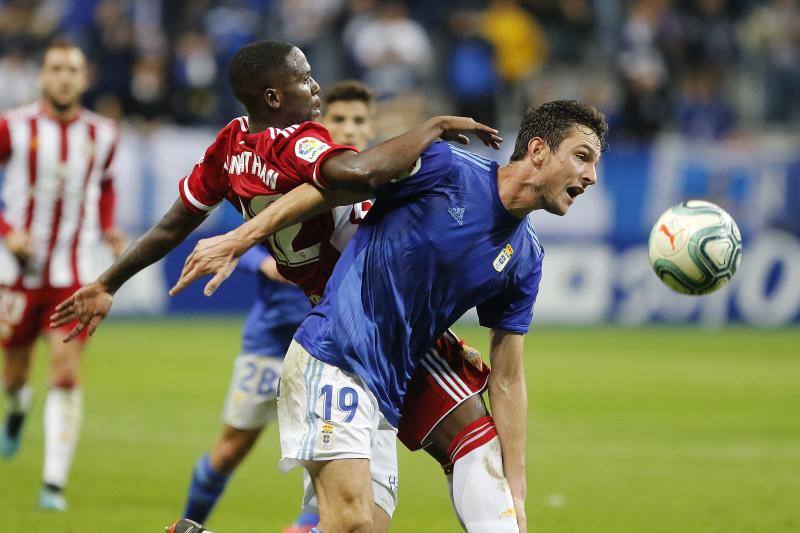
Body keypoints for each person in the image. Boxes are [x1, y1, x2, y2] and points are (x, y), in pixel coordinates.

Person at [49, 40, 500, 530]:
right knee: (388, 499)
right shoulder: (299, 142)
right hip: (357, 332)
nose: (315, 86)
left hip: (350, 326)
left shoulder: (230, 147)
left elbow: (170, 226)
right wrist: (433, 127)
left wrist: (107, 282)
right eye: (304, 77)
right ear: (273, 97)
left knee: (358, 520)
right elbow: (362, 174)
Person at [166, 98, 608, 533]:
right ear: (536, 150)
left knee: (367, 527)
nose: (590, 176)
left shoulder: (526, 258)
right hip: (334, 354)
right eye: (581, 157)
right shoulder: (445, 166)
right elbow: (329, 188)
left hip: (393, 383)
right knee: (353, 522)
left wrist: (519, 491)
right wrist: (243, 238)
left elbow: (509, 379)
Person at [180, 80, 376, 531]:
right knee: (230, 447)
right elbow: (232, 233)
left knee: (335, 461)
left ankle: (307, 525)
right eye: (341, 119)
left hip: (339, 348)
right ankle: (188, 523)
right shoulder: (289, 169)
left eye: (359, 121)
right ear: (323, 124)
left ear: (371, 126)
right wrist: (259, 264)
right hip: (273, 334)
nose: (350, 127)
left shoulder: (372, 184)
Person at [0, 40, 125, 511]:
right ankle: (15, 409)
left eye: (73, 69)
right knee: (12, 376)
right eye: (56, 68)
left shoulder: (103, 133)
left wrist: (109, 226)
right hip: (15, 274)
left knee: (66, 372)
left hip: (75, 274)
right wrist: (8, 231)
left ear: (85, 78)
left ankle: (53, 482)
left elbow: (107, 185)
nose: (65, 77)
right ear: (42, 76)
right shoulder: (13, 126)